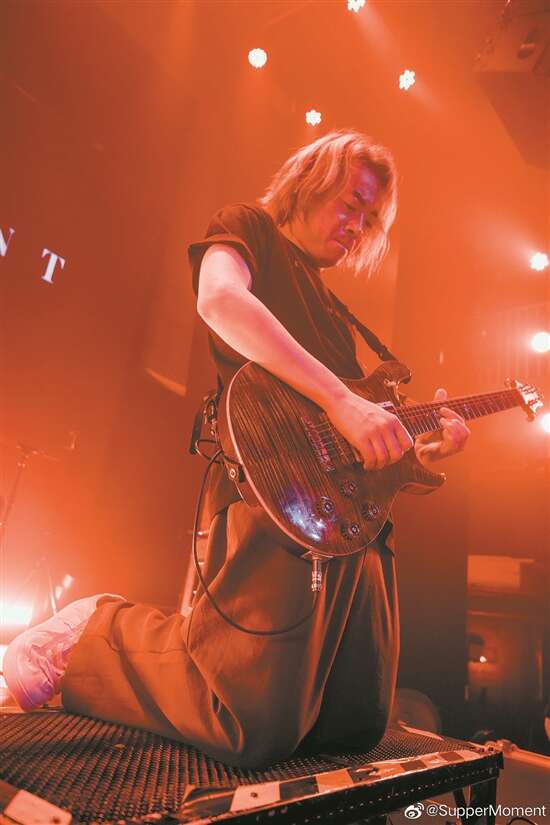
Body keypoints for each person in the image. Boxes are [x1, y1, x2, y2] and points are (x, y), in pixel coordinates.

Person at [3, 131, 470, 768]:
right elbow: (220, 300)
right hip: (274, 492)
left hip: (350, 518)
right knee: (242, 720)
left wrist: (421, 446)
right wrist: (342, 400)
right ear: (310, 181)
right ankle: (91, 633)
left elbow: (355, 426)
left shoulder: (334, 311)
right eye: (351, 204)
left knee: (354, 727)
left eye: (369, 219)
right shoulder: (247, 226)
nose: (358, 226)